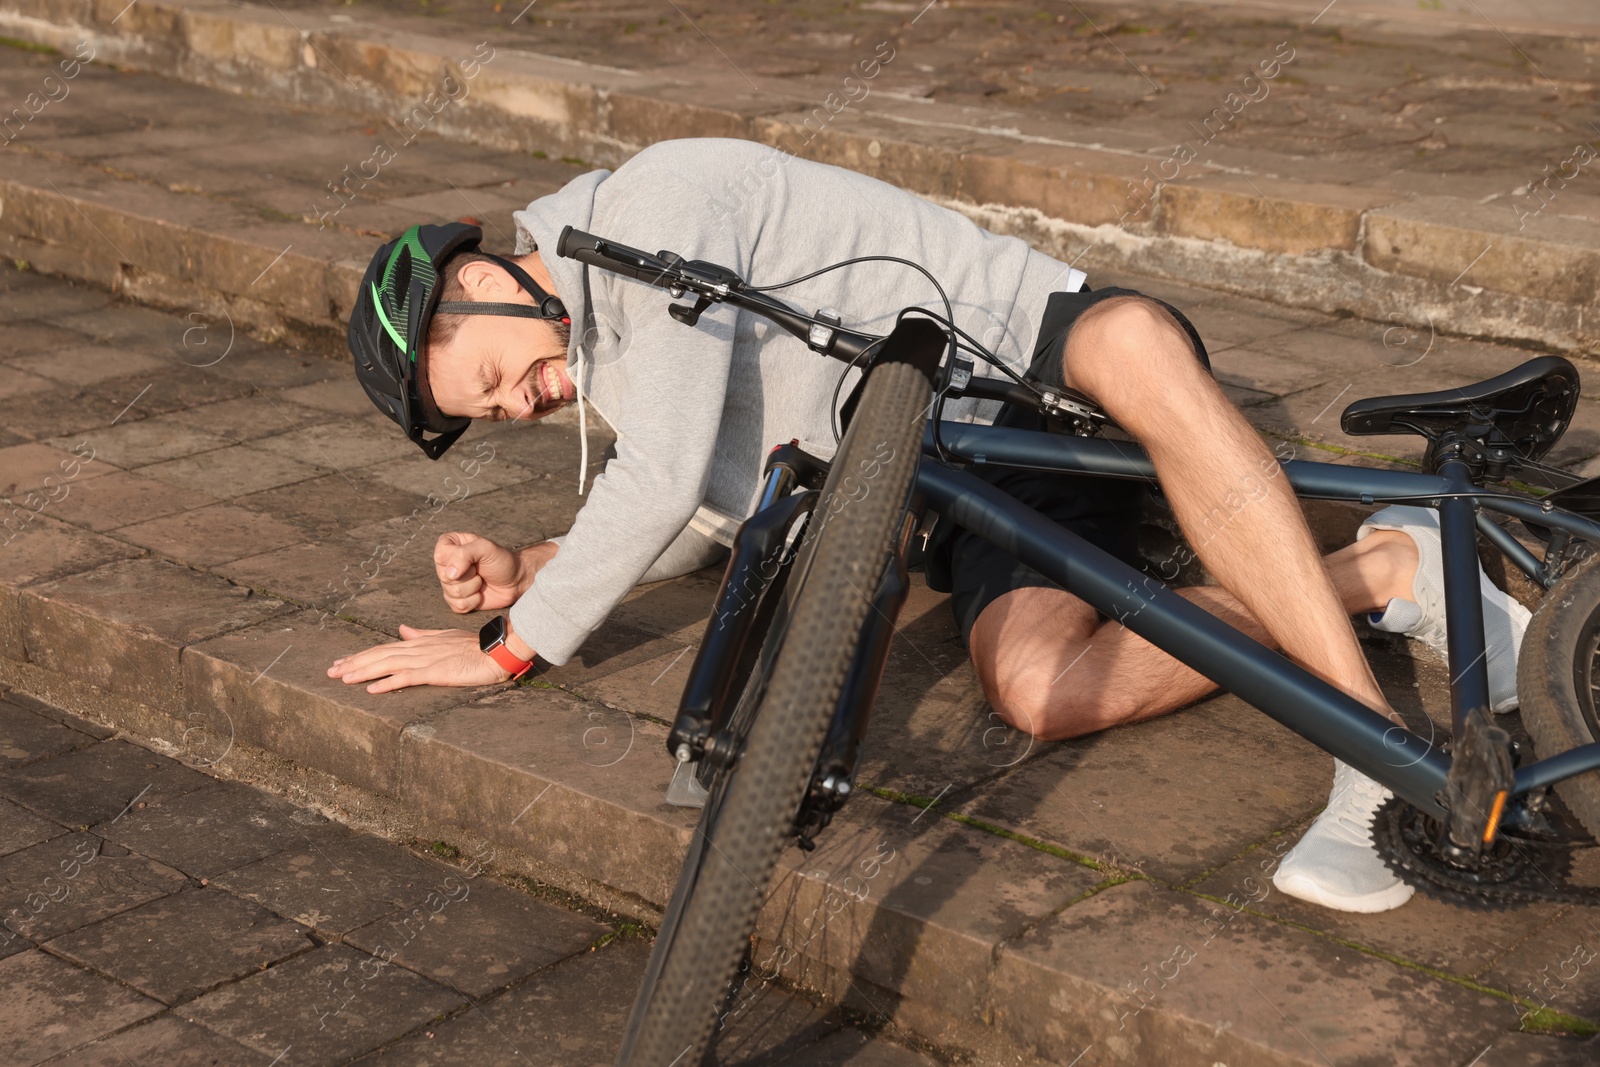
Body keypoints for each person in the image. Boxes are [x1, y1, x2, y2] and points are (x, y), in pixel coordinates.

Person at [329, 137, 1529, 914]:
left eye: (490, 381)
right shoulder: (607, 358)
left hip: (1029, 361)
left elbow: (663, 472)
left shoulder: (649, 206)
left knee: (1132, 340)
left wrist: (514, 646)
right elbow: (708, 502)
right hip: (944, 478)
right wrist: (532, 564)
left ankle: (1375, 755)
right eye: (491, 417)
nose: (518, 405)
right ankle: (1381, 568)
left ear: (477, 283)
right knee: (1042, 690)